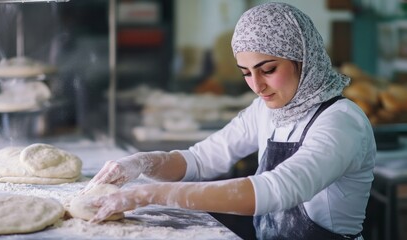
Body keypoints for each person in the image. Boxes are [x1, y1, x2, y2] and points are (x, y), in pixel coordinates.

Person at [84, 2, 375, 240]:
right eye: (246, 73)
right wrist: (143, 163)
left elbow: (280, 189)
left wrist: (155, 194)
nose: (257, 86)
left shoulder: (341, 121)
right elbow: (200, 160)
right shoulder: (266, 111)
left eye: (268, 69)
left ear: (304, 58)